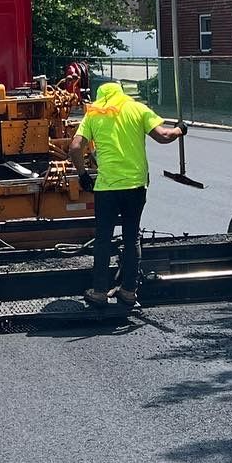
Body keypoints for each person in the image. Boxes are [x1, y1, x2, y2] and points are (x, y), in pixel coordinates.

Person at [69, 82, 185, 310]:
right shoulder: (137, 108)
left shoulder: (94, 113)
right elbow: (163, 136)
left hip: (107, 188)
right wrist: (181, 129)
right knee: (132, 237)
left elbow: (75, 147)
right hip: (135, 186)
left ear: (101, 96)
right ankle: (129, 291)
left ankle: (99, 292)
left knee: (103, 239)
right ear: (121, 93)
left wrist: (82, 174)